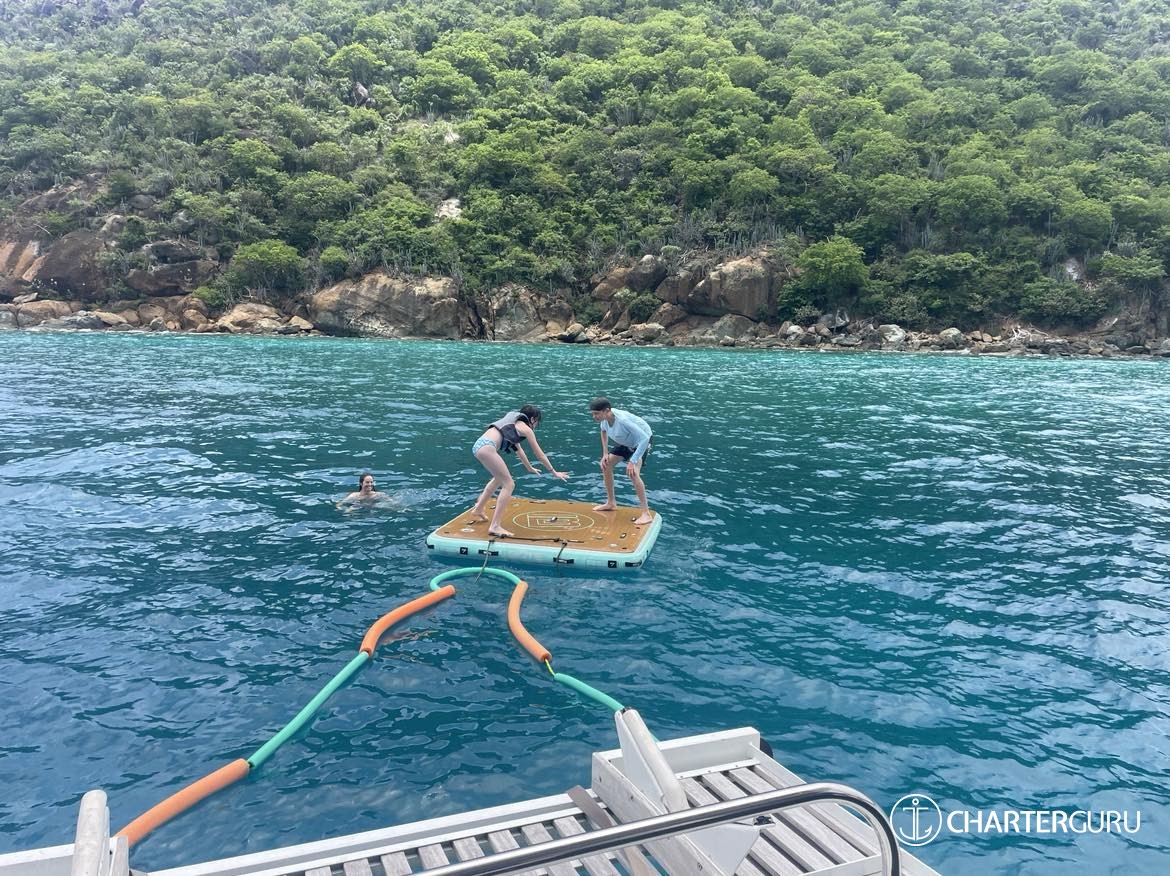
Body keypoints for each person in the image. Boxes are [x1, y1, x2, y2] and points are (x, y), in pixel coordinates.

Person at [470, 404, 569, 537]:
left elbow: (520, 452)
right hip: (487, 447)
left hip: (479, 445)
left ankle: (478, 508)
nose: (536, 425)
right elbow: (539, 454)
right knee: (509, 484)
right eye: (537, 422)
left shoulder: (514, 424)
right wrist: (554, 472)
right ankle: (495, 526)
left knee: (498, 479)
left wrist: (529, 467)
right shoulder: (526, 429)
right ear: (533, 419)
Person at [589, 397, 654, 526]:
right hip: (626, 441)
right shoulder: (605, 419)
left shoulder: (622, 421)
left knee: (633, 473)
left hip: (641, 442)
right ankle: (611, 503)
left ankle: (646, 514)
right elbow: (603, 431)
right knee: (606, 465)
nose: (594, 416)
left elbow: (644, 439)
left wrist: (633, 461)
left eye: (596, 413)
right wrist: (605, 453)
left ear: (607, 410)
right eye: (593, 414)